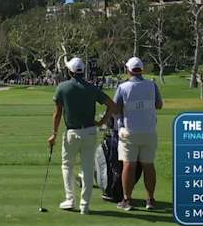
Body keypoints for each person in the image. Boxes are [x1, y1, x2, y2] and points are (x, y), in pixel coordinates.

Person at [47, 57, 118, 214]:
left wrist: (54, 134)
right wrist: (101, 122)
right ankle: (84, 206)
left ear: (70, 72)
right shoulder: (92, 88)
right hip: (90, 132)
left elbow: (57, 113)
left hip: (72, 133)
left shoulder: (62, 87)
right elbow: (112, 106)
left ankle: (70, 200)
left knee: (67, 166)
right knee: (87, 169)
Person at [114, 57, 163, 211]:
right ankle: (150, 200)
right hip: (149, 131)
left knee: (129, 165)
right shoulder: (152, 85)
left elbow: (116, 108)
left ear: (128, 70)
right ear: (141, 70)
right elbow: (159, 105)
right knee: (148, 165)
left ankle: (127, 200)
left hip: (130, 131)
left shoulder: (123, 87)